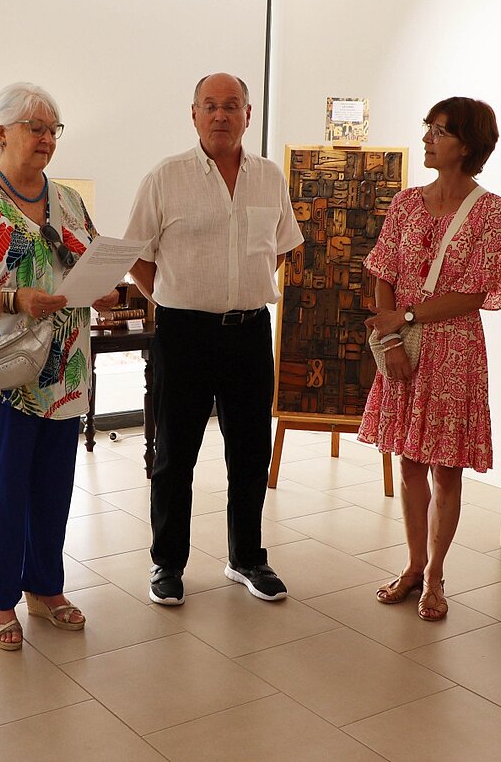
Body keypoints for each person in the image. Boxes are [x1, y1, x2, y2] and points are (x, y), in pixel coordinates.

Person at [0, 82, 119, 651]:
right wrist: (15, 300)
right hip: (9, 377)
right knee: (7, 489)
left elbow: (86, 265)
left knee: (54, 487)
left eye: (52, 129)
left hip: (64, 373)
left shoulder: (66, 199)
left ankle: (45, 588)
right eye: (34, 127)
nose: (45, 139)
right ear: (0, 134)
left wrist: (107, 288)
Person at [125, 72, 304, 606]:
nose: (221, 115)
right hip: (183, 335)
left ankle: (247, 557)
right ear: (194, 115)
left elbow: (281, 247)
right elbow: (136, 253)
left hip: (250, 333)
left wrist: (240, 288)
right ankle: (167, 565)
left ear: (249, 114)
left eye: (232, 106)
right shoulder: (166, 177)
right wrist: (177, 294)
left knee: (249, 453)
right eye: (211, 106)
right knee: (174, 456)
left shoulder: (270, 177)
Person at [360, 97, 501, 622]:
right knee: (408, 461)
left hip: (454, 352)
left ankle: (435, 575)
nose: (427, 138)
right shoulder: (405, 203)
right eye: (428, 128)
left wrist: (403, 320)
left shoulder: (491, 211)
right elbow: (382, 269)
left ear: (467, 145)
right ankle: (411, 564)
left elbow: (479, 293)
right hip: (402, 346)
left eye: (440, 131)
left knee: (446, 470)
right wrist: (389, 343)